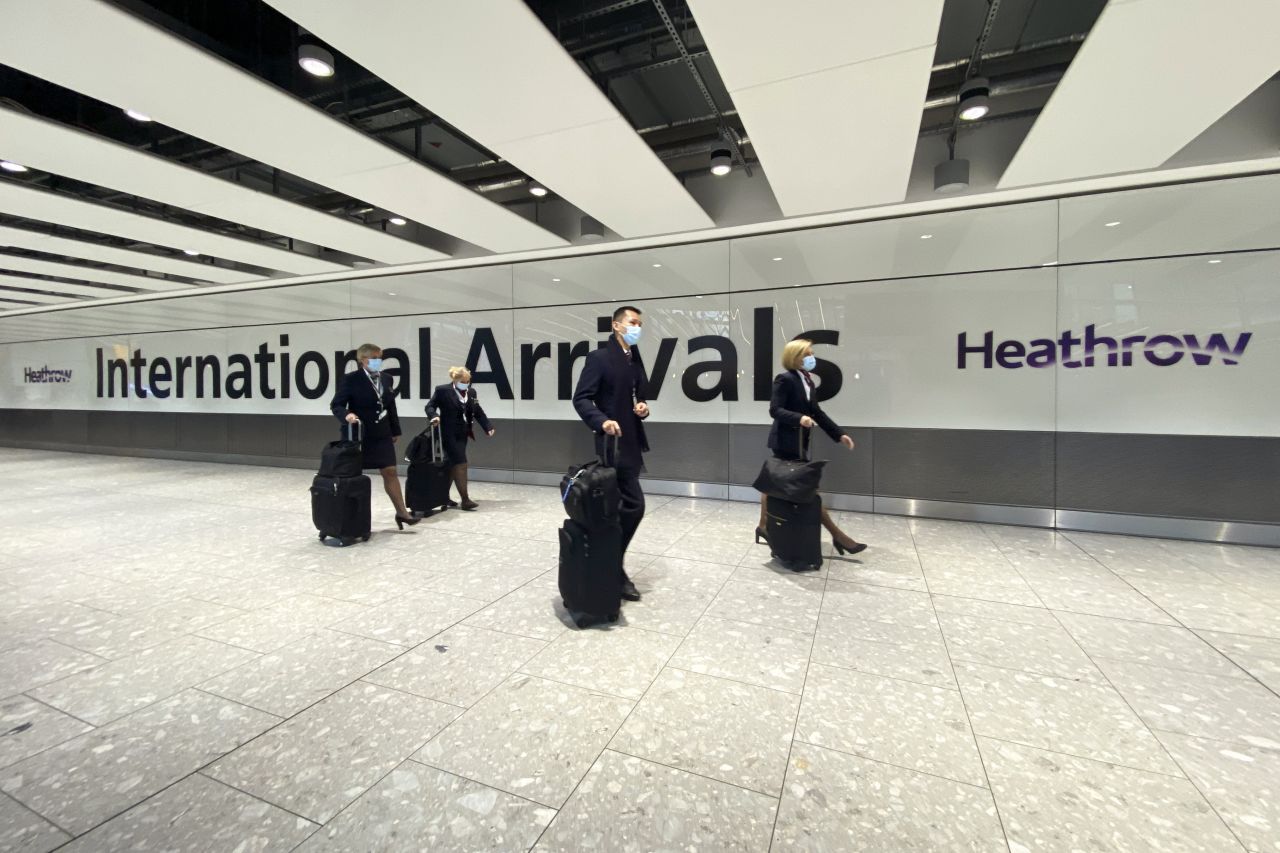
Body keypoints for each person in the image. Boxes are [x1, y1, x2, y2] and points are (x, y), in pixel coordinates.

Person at [572, 305, 651, 602]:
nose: (637, 327)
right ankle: (613, 567)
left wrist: (642, 406)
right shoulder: (599, 358)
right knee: (632, 505)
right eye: (632, 322)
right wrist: (601, 420)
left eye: (639, 323)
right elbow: (581, 398)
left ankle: (611, 565)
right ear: (616, 326)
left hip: (631, 441)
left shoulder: (634, 358)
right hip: (611, 444)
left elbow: (635, 394)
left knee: (624, 508)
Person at [760, 338, 867, 555]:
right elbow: (775, 410)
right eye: (807, 354)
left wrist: (839, 434)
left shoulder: (808, 381)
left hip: (800, 443)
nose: (811, 357)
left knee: (774, 484)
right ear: (795, 357)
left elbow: (817, 413)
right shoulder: (785, 379)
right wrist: (799, 418)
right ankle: (838, 536)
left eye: (811, 353)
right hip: (785, 442)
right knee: (806, 489)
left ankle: (763, 526)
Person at [329, 343, 420, 530]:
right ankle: (353, 519)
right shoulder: (350, 379)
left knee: (390, 471)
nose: (378, 362)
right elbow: (336, 404)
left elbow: (390, 406)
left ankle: (402, 512)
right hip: (359, 435)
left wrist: (395, 430)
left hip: (382, 434)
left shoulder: (387, 379)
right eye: (374, 358)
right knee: (354, 476)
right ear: (362, 360)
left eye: (380, 358)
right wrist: (347, 415)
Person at [426, 366, 495, 511]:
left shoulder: (471, 392)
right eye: (463, 381)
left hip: (463, 433)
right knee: (461, 463)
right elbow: (430, 406)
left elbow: (477, 411)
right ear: (455, 380)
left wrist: (487, 426)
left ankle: (442, 496)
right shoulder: (442, 390)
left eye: (468, 381)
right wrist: (434, 416)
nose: (466, 383)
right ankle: (465, 499)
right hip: (448, 433)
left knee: (453, 465)